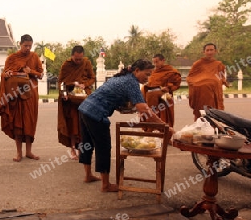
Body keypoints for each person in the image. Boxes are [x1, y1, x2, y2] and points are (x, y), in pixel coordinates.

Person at [78, 59, 171, 192]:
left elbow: (117, 102)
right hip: (95, 113)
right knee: (103, 147)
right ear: (137, 71)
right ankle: (106, 185)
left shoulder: (121, 78)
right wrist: (164, 126)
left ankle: (88, 176)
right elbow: (144, 109)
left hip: (84, 108)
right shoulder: (131, 82)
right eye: (147, 74)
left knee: (87, 143)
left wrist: (133, 109)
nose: (148, 78)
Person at [0, 34, 43, 162]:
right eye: (25, 46)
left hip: (31, 94)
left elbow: (40, 74)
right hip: (15, 94)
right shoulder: (12, 58)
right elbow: (5, 74)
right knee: (18, 123)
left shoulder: (34, 57)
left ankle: (29, 151)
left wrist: (31, 72)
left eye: (30, 46)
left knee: (29, 122)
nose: (27, 48)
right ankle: (19, 153)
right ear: (20, 44)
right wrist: (6, 74)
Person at [57, 45, 95, 161]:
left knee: (83, 124)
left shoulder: (86, 63)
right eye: (76, 59)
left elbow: (92, 78)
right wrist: (65, 93)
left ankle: (81, 150)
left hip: (83, 97)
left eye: (80, 59)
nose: (78, 61)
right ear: (72, 56)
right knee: (73, 124)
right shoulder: (66, 65)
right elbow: (61, 82)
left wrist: (85, 84)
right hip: (71, 98)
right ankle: (73, 149)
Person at [186, 43, 229, 120]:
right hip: (201, 93)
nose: (209, 52)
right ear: (204, 52)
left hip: (214, 92)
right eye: (207, 50)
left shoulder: (218, 64)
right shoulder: (197, 64)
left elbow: (221, 76)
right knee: (201, 114)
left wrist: (223, 80)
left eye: (211, 50)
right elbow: (190, 77)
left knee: (215, 114)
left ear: (215, 51)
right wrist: (198, 83)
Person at [142, 54, 181, 127]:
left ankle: (165, 134)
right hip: (151, 99)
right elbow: (149, 83)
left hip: (165, 99)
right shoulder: (153, 72)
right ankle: (152, 135)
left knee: (165, 119)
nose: (155, 64)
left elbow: (176, 84)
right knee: (152, 117)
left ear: (163, 60)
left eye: (157, 62)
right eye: (153, 62)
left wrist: (168, 88)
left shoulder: (171, 71)